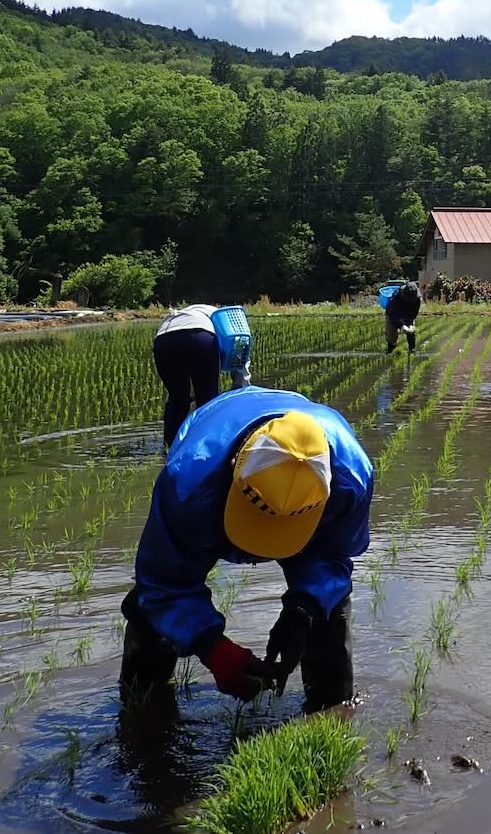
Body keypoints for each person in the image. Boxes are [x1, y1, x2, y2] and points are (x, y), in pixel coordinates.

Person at [119, 386, 373, 711]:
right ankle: (142, 717)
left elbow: (333, 556)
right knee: (151, 608)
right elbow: (165, 581)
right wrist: (213, 648)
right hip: (215, 428)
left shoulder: (351, 478)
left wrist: (302, 611)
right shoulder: (188, 482)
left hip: (313, 476)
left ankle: (332, 708)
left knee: (329, 605)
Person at [154, 304, 251, 448]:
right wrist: (241, 392)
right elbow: (240, 368)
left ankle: (169, 449)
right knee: (207, 400)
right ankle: (209, 447)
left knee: (177, 399)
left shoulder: (191, 313)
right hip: (199, 336)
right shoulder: (230, 324)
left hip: (164, 339)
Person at [385, 281, 422, 354]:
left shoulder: (417, 299)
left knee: (411, 331)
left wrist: (410, 323)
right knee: (391, 335)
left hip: (407, 314)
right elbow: (392, 315)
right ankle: (390, 351)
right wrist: (401, 325)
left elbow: (414, 314)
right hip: (393, 314)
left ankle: (412, 350)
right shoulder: (396, 296)